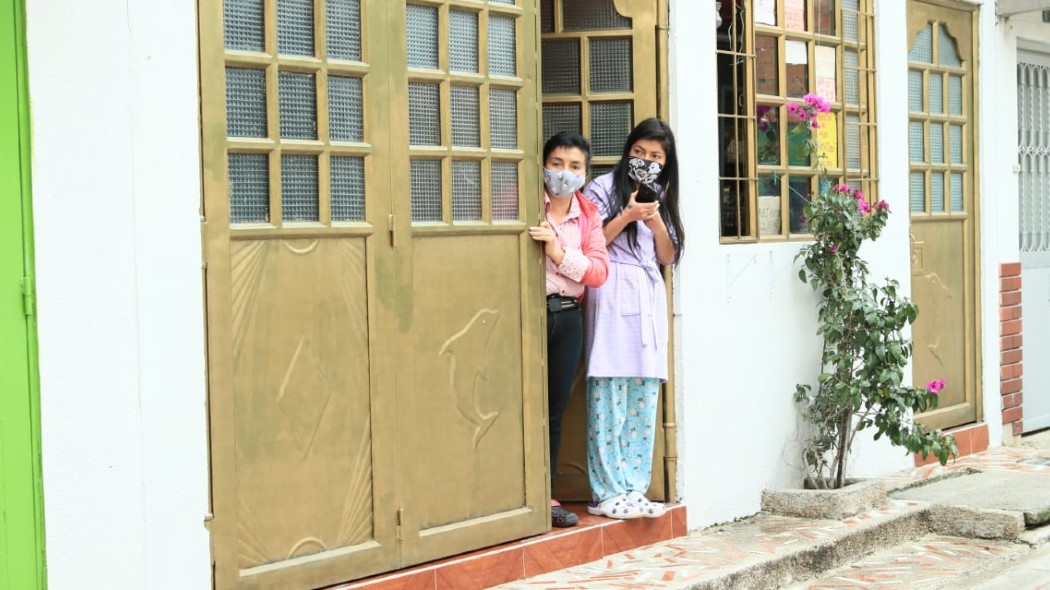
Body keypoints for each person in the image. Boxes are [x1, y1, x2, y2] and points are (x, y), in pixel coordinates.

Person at [581, 118, 685, 519]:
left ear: (666, 162)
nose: (646, 161)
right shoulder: (602, 188)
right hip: (610, 291)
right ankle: (606, 491)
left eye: (656, 156)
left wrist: (655, 218)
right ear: (628, 151)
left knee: (643, 393)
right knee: (609, 392)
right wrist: (625, 215)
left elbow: (668, 256)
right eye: (639, 153)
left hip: (647, 294)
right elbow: (592, 242)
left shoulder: (664, 194)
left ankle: (634, 487)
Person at [529, 132, 610, 528]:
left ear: (585, 172)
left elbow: (598, 272)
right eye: (557, 163)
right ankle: (512, 496)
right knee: (517, 407)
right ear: (543, 164)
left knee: (554, 412)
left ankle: (547, 496)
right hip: (525, 315)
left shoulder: (589, 214)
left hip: (568, 317)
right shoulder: (523, 200)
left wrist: (558, 253)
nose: (564, 173)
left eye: (575, 167)